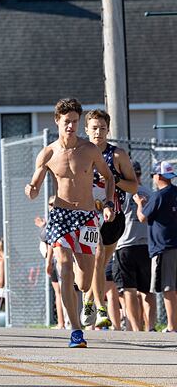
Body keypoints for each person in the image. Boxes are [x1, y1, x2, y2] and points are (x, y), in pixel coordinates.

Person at [27, 98, 115, 348]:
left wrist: (108, 204)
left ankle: (84, 297)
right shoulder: (48, 153)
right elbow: (34, 186)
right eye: (67, 122)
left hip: (87, 218)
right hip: (61, 216)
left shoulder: (90, 150)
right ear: (57, 121)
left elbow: (109, 178)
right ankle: (76, 330)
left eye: (75, 122)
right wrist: (31, 190)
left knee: (84, 281)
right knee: (64, 266)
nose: (71, 126)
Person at [83, 110, 138, 329]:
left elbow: (133, 186)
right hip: (89, 216)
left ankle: (87, 300)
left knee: (101, 264)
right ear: (86, 129)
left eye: (102, 128)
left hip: (114, 217)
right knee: (96, 257)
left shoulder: (117, 155)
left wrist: (114, 179)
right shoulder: (80, 153)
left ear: (108, 129)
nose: (98, 132)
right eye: (94, 128)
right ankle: (99, 307)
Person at [134, 161, 177, 332]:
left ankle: (172, 326)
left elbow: (143, 218)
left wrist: (139, 204)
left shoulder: (158, 196)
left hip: (164, 247)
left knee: (168, 288)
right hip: (174, 244)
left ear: (157, 176)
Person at [115, 161, 156, 331]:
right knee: (147, 289)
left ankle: (137, 327)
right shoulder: (150, 193)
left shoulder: (120, 194)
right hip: (145, 245)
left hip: (126, 244)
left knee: (130, 289)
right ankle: (150, 327)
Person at [35, 197, 66, 329]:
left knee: (67, 290)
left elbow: (51, 244)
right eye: (50, 204)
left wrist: (48, 263)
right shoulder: (50, 222)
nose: (52, 206)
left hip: (58, 260)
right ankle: (61, 323)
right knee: (58, 292)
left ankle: (69, 321)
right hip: (53, 260)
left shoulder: (60, 220)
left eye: (55, 204)